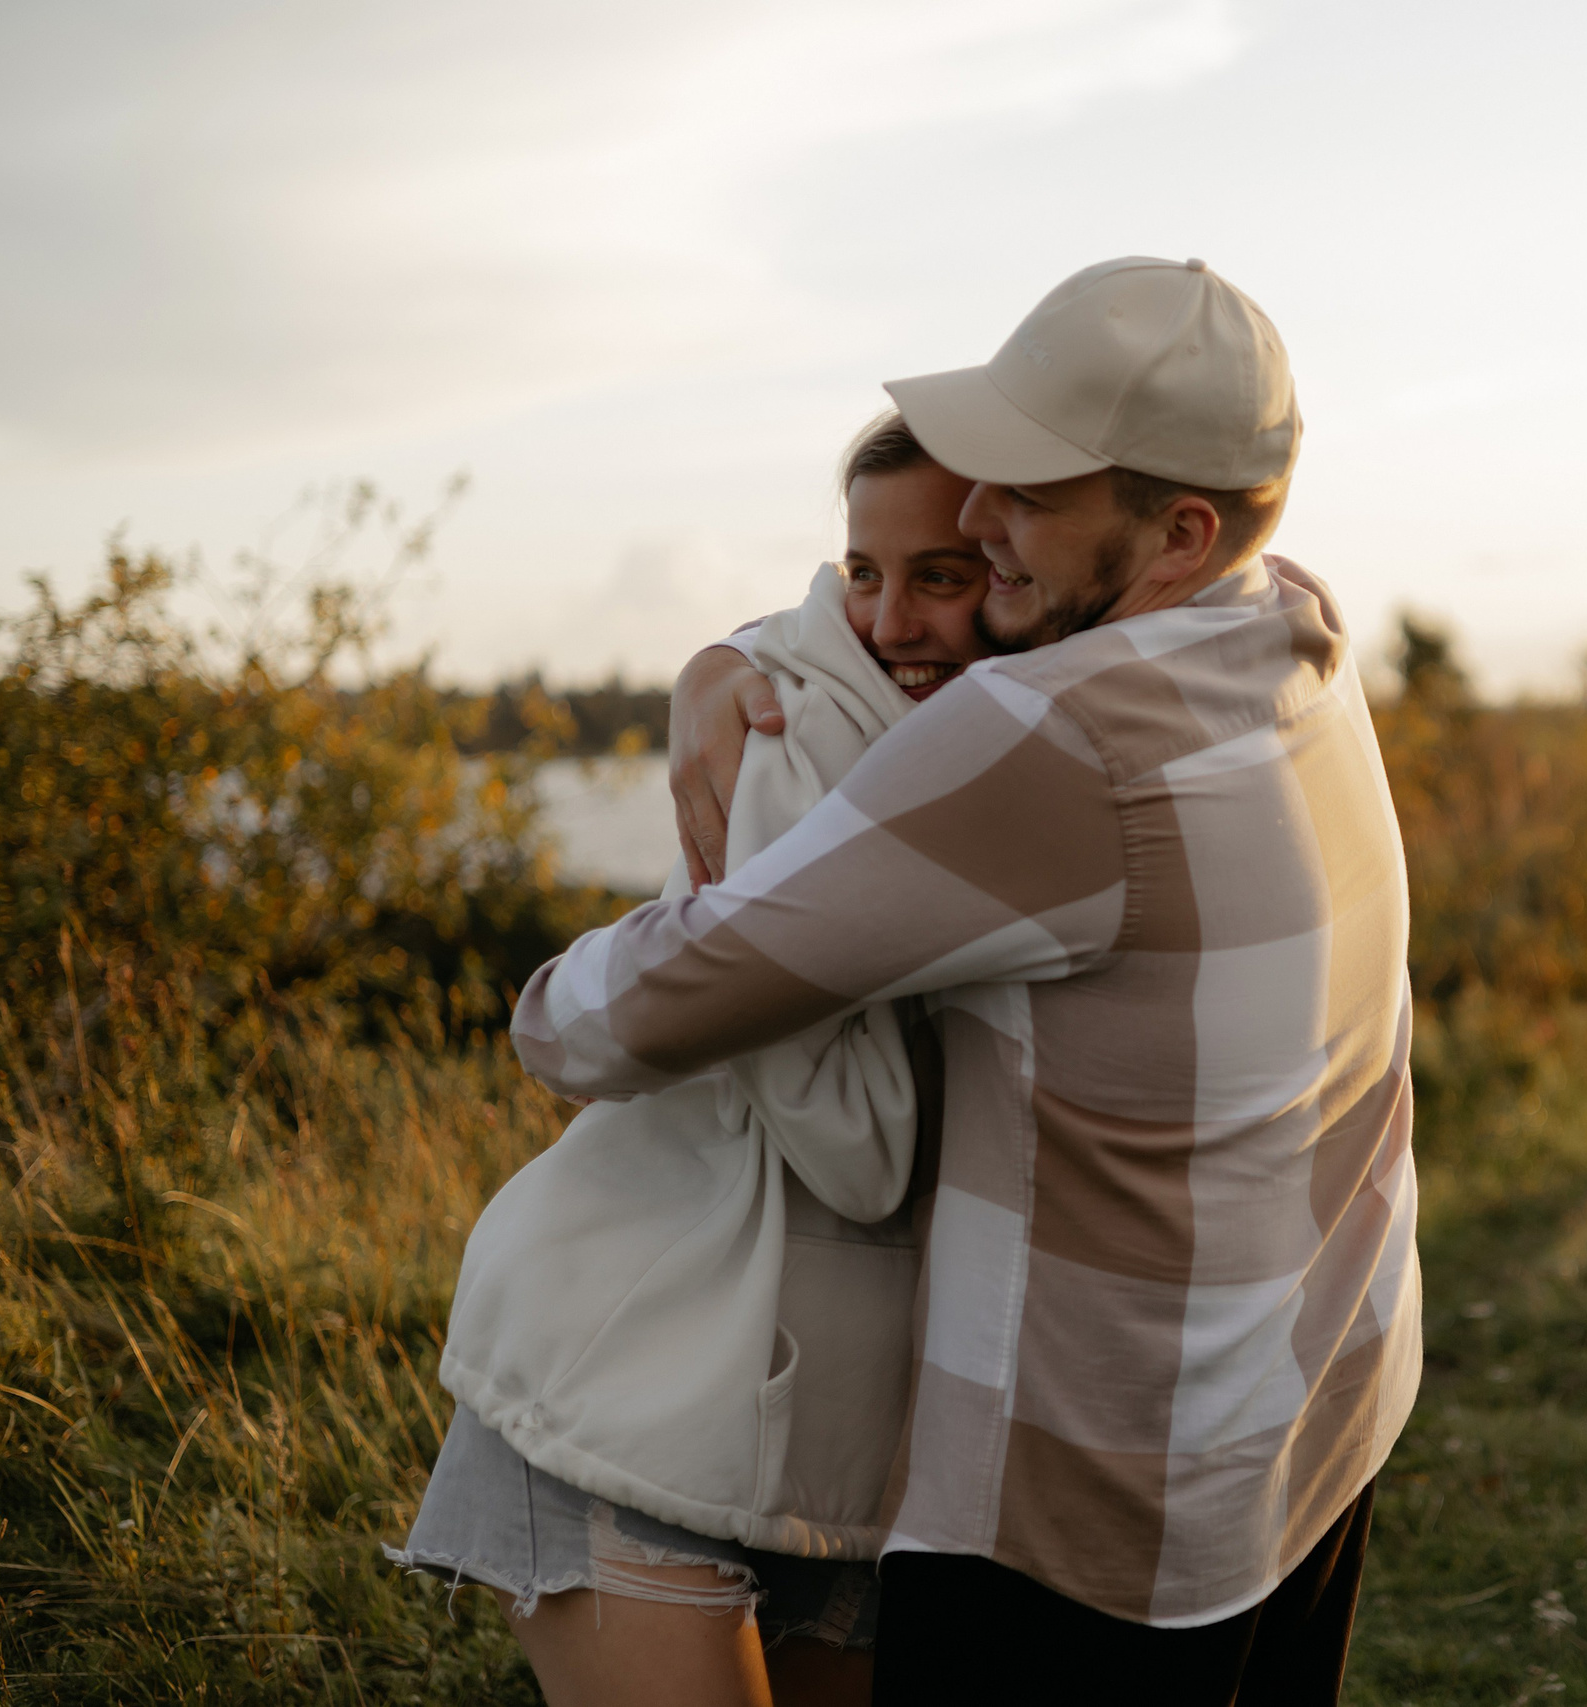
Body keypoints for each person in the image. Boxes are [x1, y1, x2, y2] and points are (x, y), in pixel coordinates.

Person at [532, 254, 1423, 1705]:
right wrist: (737, 653)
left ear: (1181, 531)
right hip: (1317, 1416)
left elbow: (633, 1015)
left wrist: (549, 994)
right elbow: (922, 626)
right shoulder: (1291, 623)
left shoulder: (1054, 733)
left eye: (1028, 491)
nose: (979, 512)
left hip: (1095, 1527)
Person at [390, 415, 995, 1707]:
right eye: (864, 573)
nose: (892, 620)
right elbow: (862, 1149)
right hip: (635, 1384)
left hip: (841, 1448)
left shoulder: (993, 753)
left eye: (940, 576)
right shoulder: (790, 739)